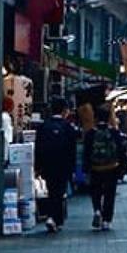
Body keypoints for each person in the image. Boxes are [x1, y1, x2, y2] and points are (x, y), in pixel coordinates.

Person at [35, 97, 80, 233]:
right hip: (63, 166)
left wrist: (37, 167)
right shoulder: (68, 128)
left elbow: (38, 148)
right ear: (65, 111)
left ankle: (53, 218)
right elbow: (73, 151)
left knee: (51, 190)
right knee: (60, 192)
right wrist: (74, 170)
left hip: (48, 165)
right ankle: (54, 219)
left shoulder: (43, 126)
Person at [83, 104, 127, 231]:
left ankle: (97, 210)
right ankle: (107, 220)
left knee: (95, 191)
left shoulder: (90, 133)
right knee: (110, 193)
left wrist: (85, 169)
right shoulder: (114, 132)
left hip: (95, 168)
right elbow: (121, 150)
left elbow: (86, 153)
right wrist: (123, 167)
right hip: (111, 167)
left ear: (96, 118)